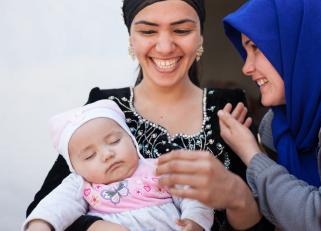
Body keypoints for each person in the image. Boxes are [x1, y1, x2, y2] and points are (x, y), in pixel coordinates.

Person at [26, 0, 273, 230]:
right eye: (148, 32)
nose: (165, 47)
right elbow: (45, 209)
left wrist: (238, 195)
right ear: (131, 39)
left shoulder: (228, 109)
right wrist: (93, 226)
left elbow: (262, 222)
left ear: (200, 37)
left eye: (182, 30)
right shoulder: (104, 109)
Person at [200, 0, 321, 230]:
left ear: (304, 46)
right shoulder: (278, 126)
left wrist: (252, 155)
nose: (246, 68)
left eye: (256, 47)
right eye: (245, 51)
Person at [24, 99, 213, 231]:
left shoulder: (159, 168)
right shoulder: (79, 184)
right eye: (90, 156)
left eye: (114, 141)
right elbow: (55, 205)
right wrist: (40, 224)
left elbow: (194, 195)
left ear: (132, 140)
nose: (107, 155)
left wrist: (194, 220)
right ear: (75, 168)